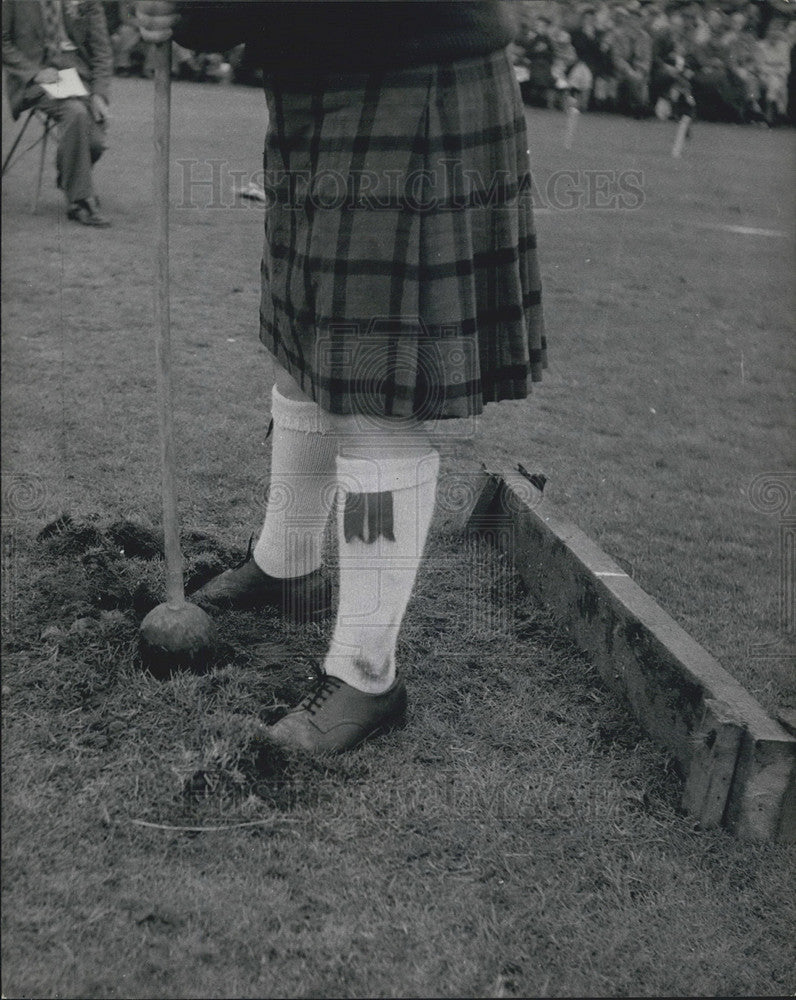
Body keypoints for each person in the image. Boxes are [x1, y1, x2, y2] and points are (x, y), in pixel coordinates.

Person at [135, 0, 547, 754]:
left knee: (374, 387)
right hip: (312, 87)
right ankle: (287, 564)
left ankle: (366, 670)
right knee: (304, 350)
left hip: (409, 77)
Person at [2, 0, 113, 226]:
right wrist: (35, 73)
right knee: (76, 112)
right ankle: (80, 202)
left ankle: (69, 173)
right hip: (34, 78)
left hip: (79, 77)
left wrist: (99, 94)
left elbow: (102, 50)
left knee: (95, 142)